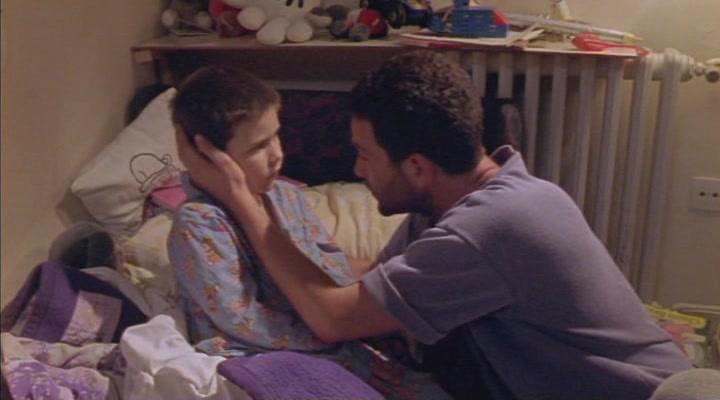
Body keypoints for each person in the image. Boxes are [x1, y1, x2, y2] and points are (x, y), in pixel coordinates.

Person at [176, 51, 692, 400]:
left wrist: (243, 200)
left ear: (418, 167)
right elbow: (368, 284)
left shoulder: (492, 225)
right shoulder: (449, 208)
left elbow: (334, 318)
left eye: (365, 155)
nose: (357, 169)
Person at [168, 65, 451, 399]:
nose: (277, 155)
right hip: (262, 352)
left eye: (275, 136)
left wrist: (372, 317)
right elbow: (243, 322)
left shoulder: (285, 196)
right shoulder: (199, 223)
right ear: (209, 157)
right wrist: (343, 348)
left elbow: (329, 267)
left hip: (331, 340)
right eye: (258, 147)